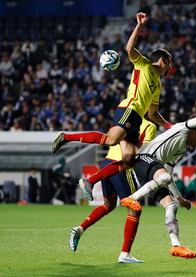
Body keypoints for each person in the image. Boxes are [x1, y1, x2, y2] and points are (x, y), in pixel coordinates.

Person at [51, 13, 173, 200]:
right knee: (110, 140)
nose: (170, 68)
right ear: (163, 60)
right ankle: (66, 137)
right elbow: (129, 48)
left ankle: (90, 181)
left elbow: (153, 113)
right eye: (169, 63)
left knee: (128, 160)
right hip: (128, 109)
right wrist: (139, 26)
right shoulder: (144, 65)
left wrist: (170, 127)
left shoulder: (158, 84)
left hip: (137, 118)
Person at [69, 119, 157, 263]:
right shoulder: (150, 126)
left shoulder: (126, 119)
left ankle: (80, 228)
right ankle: (125, 254)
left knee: (108, 205)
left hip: (107, 163)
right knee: (135, 208)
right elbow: (144, 151)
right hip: (120, 166)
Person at [118, 112, 196, 212]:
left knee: (171, 206)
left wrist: (179, 198)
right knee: (164, 177)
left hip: (152, 170)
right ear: (194, 131)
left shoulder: (180, 150)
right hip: (144, 159)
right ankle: (132, 198)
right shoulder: (182, 128)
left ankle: (175, 242)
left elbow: (168, 175)